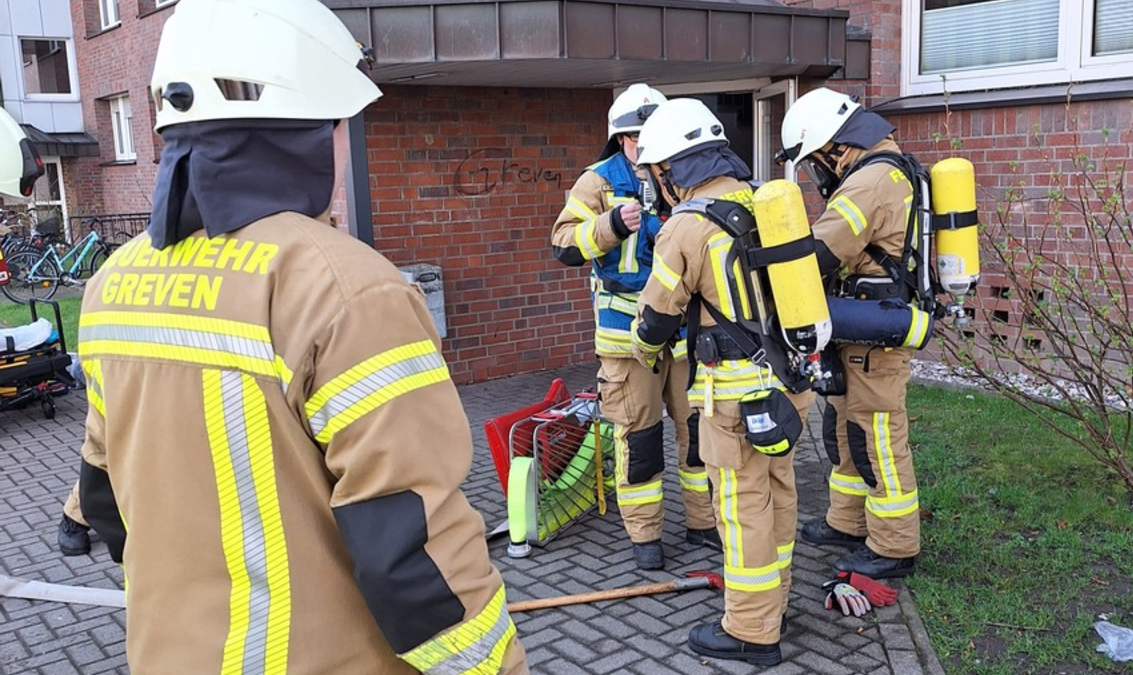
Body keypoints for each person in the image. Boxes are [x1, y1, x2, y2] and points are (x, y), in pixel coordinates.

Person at [73, 1, 528, 673]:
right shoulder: (345, 287)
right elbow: (410, 546)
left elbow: (104, 491)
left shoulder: (115, 280)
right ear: (307, 133)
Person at [632, 98, 816, 667]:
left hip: (734, 400)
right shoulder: (766, 200)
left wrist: (642, 350)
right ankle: (776, 601)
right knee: (780, 493)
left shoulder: (686, 226)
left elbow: (657, 319)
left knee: (741, 510)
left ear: (670, 169)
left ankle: (751, 630)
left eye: (655, 173)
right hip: (790, 385)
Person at [551, 83, 719, 571]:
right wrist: (610, 226)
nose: (644, 148)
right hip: (627, 341)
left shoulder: (682, 175)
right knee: (640, 439)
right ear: (619, 139)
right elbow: (562, 244)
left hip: (685, 333)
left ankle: (702, 522)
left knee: (697, 434)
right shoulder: (597, 181)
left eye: (652, 136)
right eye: (634, 138)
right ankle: (645, 536)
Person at [779, 87, 921, 579]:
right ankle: (848, 520)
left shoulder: (871, 182)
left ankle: (894, 545)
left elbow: (821, 252)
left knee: (877, 436)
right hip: (858, 328)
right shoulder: (878, 170)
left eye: (814, 161)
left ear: (836, 146)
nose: (817, 172)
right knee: (843, 429)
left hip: (873, 334)